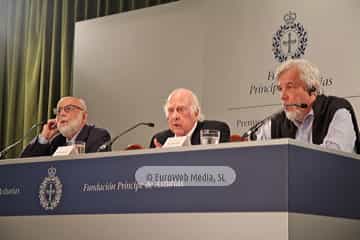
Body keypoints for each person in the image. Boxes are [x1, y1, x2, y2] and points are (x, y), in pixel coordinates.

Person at [255, 59, 360, 154]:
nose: (283, 96)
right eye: (280, 89)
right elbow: (255, 153)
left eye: (290, 87)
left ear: (311, 88)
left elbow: (333, 158)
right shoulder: (276, 121)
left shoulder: (336, 111)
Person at [21, 96, 111, 157]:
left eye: (68, 109)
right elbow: (24, 165)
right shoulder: (56, 141)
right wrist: (44, 137)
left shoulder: (98, 135)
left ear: (83, 116)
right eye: (59, 111)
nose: (62, 114)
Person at [150, 88, 230, 148]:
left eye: (181, 109)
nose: (175, 116)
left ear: (196, 112)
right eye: (170, 110)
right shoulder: (159, 140)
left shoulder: (214, 131)